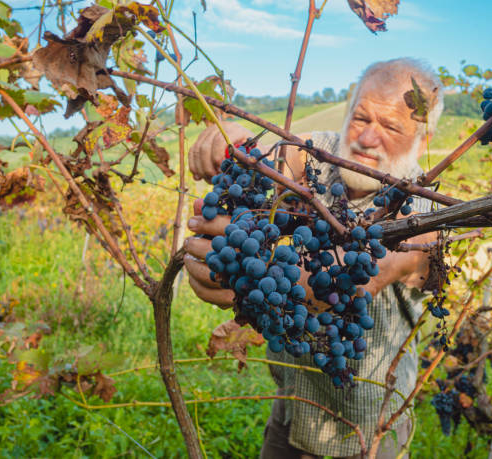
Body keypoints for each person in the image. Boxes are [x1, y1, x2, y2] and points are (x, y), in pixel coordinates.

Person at [184, 58, 444, 458]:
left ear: (422, 141)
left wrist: (254, 277)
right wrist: (234, 144)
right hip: (292, 414)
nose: (367, 138)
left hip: (370, 434)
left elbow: (356, 278)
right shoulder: (320, 154)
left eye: (391, 127)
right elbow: (271, 162)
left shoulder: (427, 216)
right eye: (360, 118)